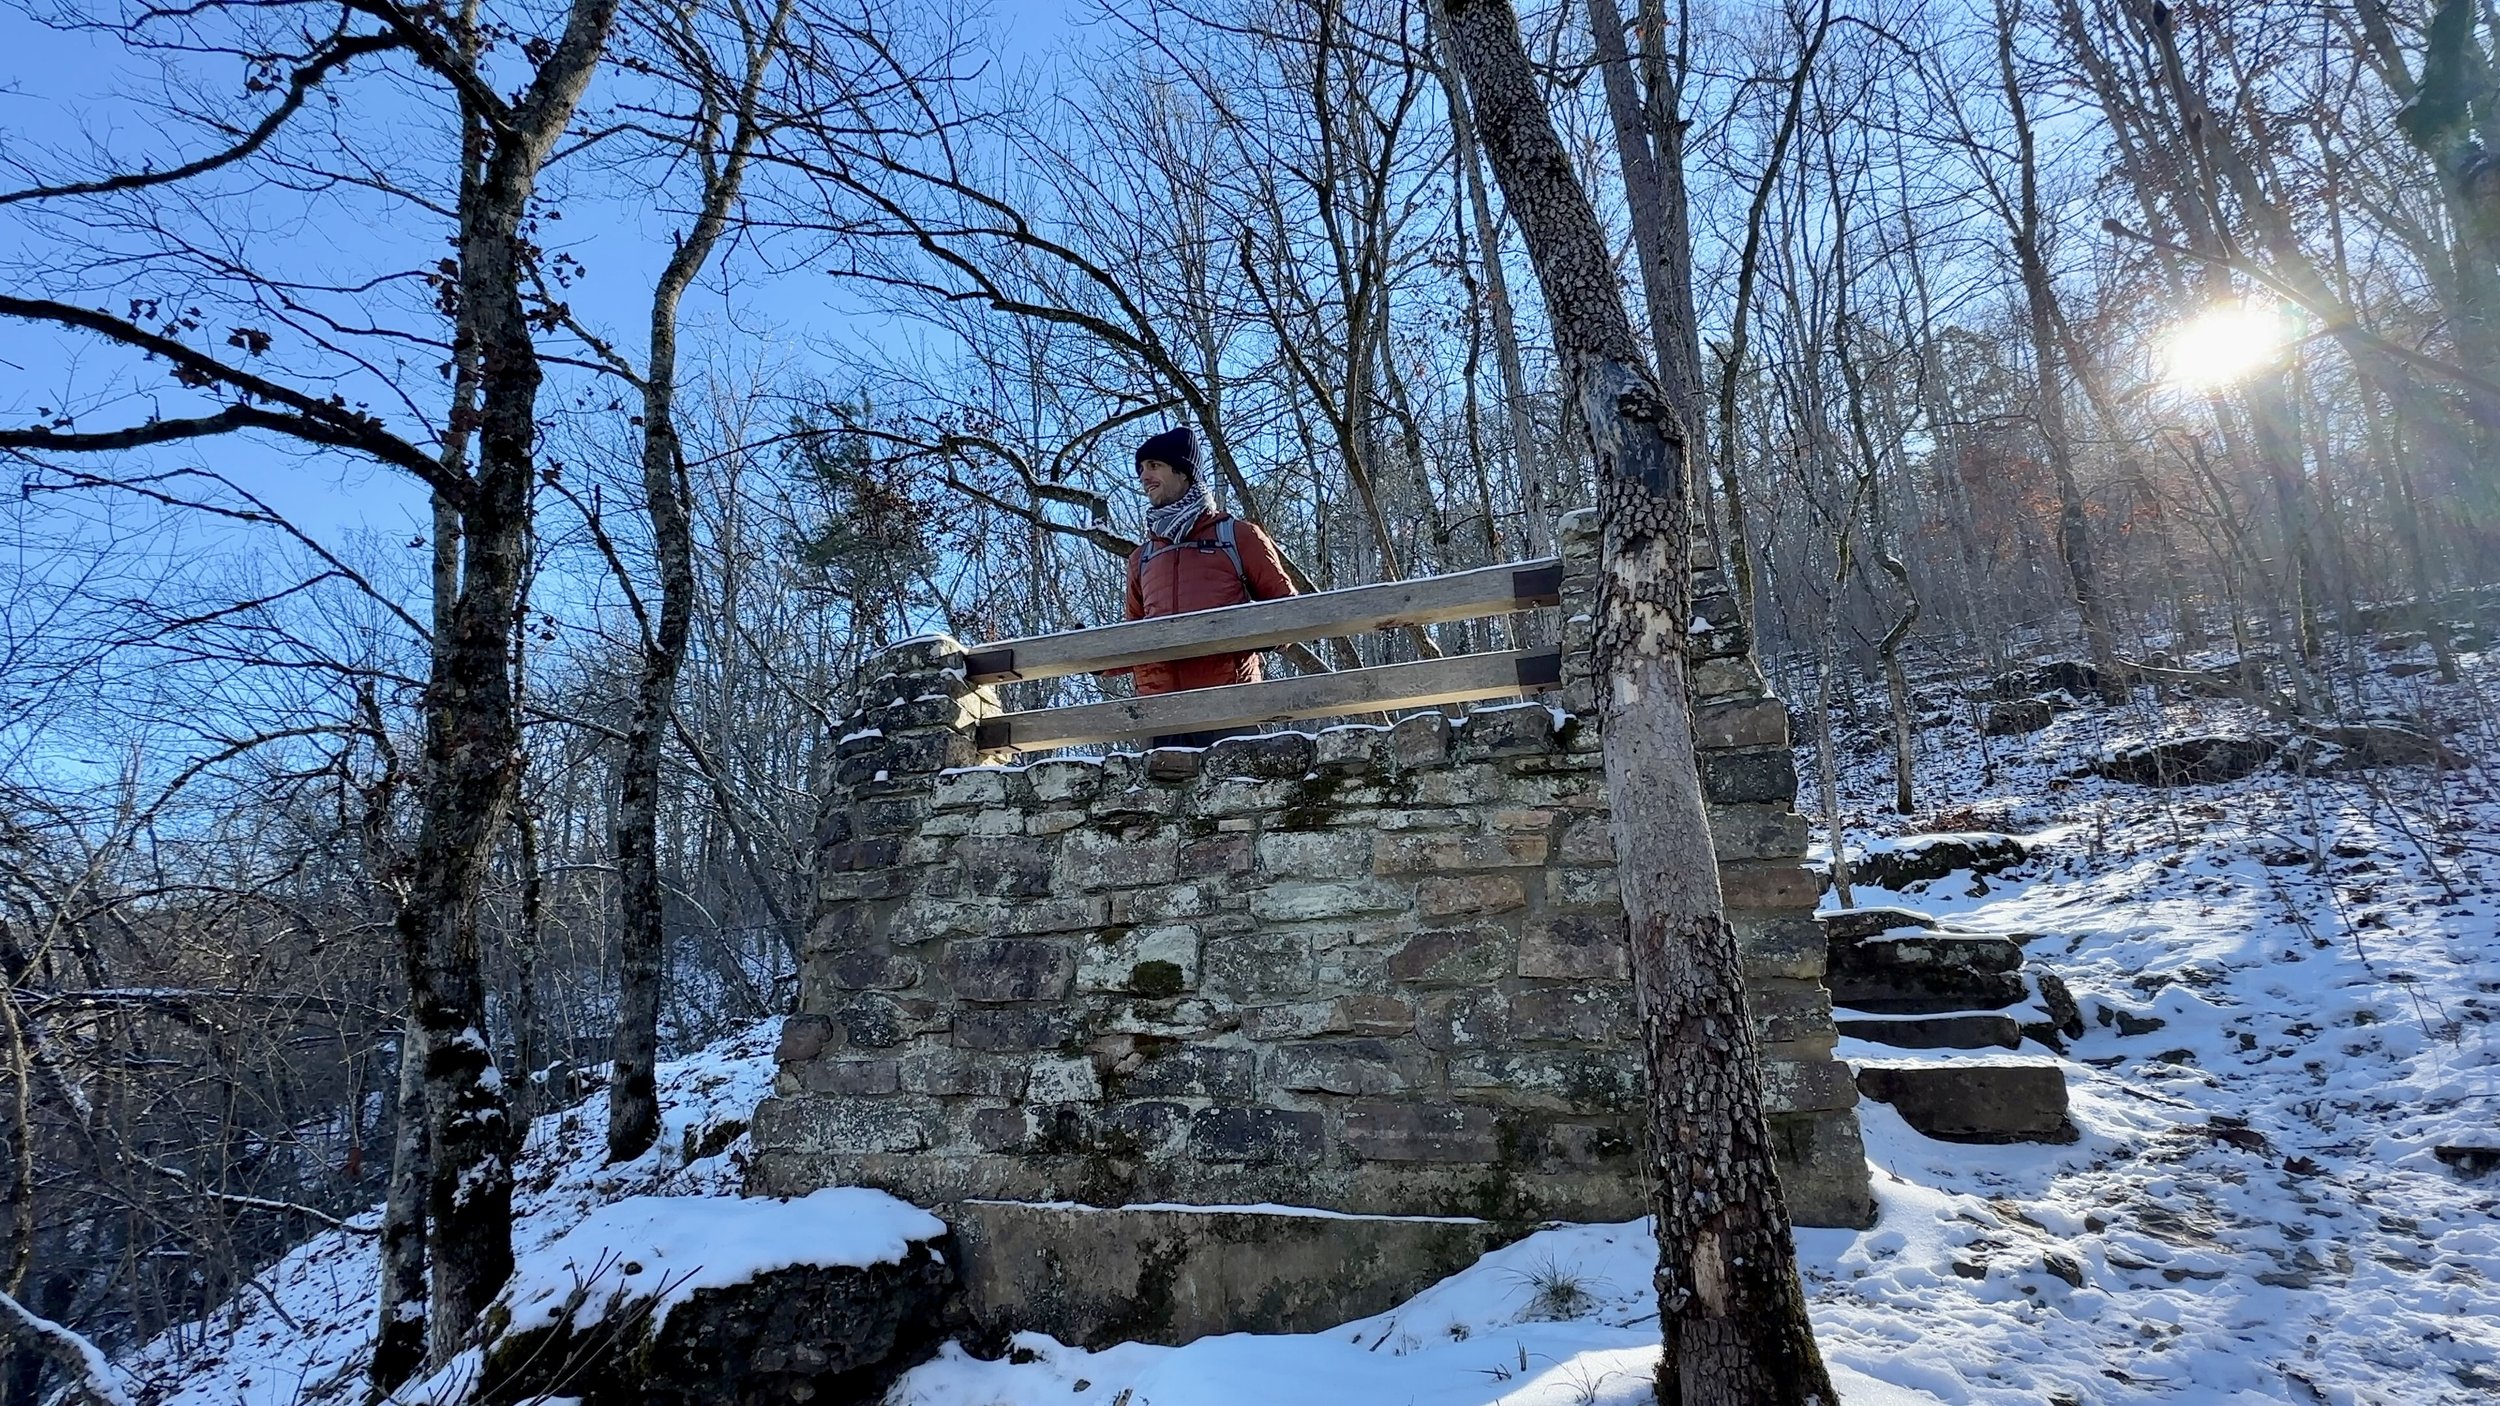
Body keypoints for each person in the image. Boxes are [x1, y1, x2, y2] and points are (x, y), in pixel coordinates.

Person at [1121, 426, 1295, 747]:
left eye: (1154, 466)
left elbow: (1290, 613)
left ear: (1183, 472)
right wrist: (1092, 658)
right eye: (1141, 469)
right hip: (1159, 718)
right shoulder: (1142, 558)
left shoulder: (1237, 536)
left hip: (1229, 709)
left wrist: (1263, 635)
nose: (1144, 476)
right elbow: (1132, 637)